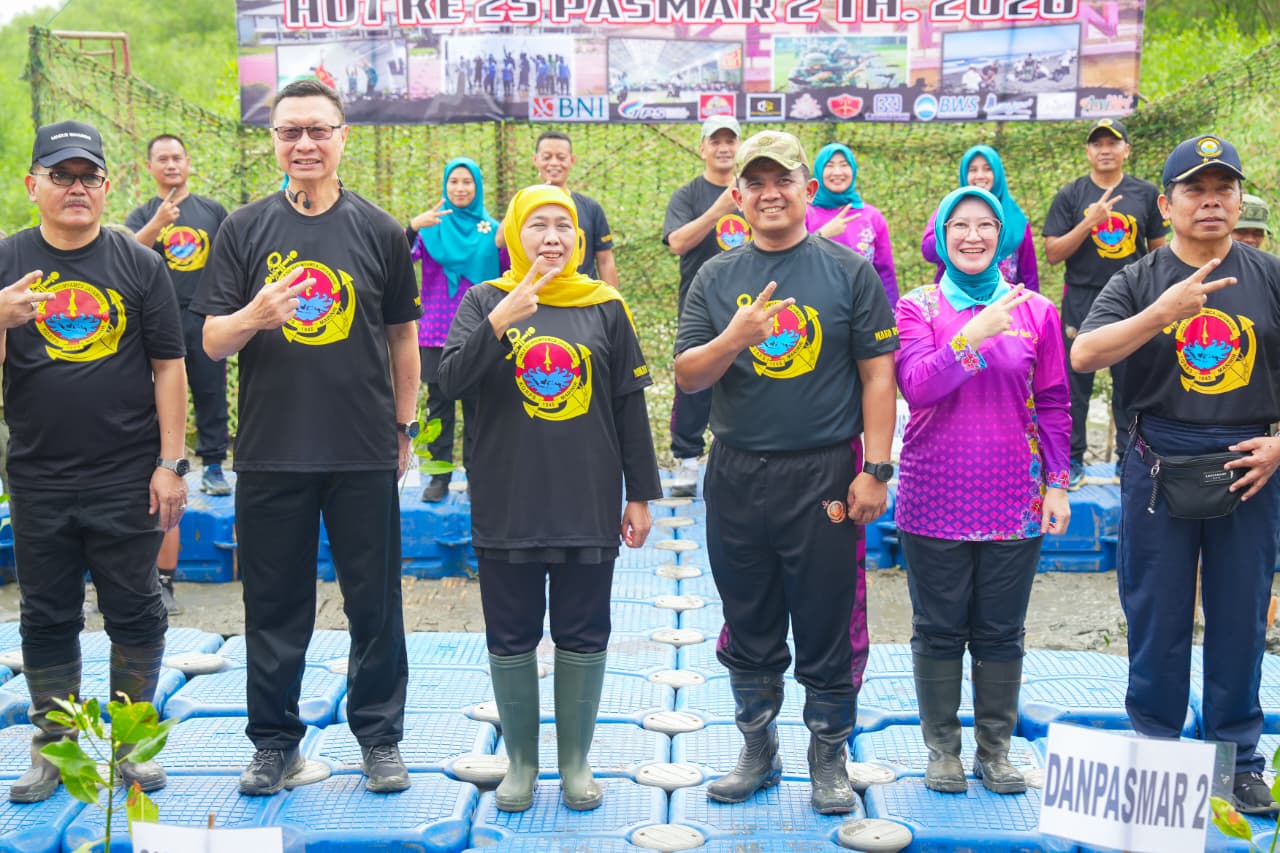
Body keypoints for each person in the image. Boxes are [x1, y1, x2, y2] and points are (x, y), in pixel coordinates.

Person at [193, 80, 420, 797]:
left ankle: (379, 737)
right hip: (271, 450)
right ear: (274, 142)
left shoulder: (380, 229)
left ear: (342, 136)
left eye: (318, 130)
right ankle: (273, 742)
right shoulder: (243, 229)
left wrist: (404, 426)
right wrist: (255, 315)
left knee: (374, 603)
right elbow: (212, 340)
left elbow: (403, 337)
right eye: (290, 131)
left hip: (361, 448)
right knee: (273, 603)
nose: (305, 144)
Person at [673, 131, 898, 814]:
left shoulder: (847, 271)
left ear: (807, 188)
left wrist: (876, 468)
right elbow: (688, 374)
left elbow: (877, 374)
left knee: (828, 617)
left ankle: (828, 755)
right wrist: (735, 337)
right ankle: (757, 748)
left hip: (825, 473)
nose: (770, 194)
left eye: (783, 180)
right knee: (747, 613)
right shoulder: (716, 277)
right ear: (737, 195)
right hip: (738, 472)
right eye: (756, 183)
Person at [1072, 135, 1280, 816]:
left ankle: (1234, 760)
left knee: (1240, 616)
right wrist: (1161, 313)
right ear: (1167, 205)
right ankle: (1158, 754)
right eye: (1195, 189)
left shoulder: (1270, 276)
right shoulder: (1137, 279)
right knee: (1157, 615)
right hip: (1157, 461)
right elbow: (1084, 354)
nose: (1211, 201)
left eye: (1224, 188)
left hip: (1251, 464)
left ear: (1240, 200)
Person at [437, 184, 661, 812]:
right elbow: (449, 382)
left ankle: (575, 763)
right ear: (514, 234)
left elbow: (628, 406)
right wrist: (500, 321)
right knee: (510, 633)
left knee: (583, 631)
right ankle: (522, 764)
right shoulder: (484, 300)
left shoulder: (605, 306)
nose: (552, 237)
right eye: (538, 224)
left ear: (580, 239)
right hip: (507, 498)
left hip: (586, 498)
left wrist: (641, 494)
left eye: (564, 225)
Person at [0, 120, 188, 802]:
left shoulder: (139, 264)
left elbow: (169, 366)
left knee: (136, 609)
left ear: (107, 187)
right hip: (37, 474)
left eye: (89, 176)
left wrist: (171, 462)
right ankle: (56, 746)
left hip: (126, 474)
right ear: (34, 185)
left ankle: (131, 743)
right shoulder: (6, 261)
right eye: (61, 175)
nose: (76, 188)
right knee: (46, 614)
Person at [896, 186, 1071, 795]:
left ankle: (995, 751)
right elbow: (917, 386)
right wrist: (973, 335)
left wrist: (1057, 484)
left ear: (1003, 236)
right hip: (933, 494)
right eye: (960, 226)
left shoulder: (1037, 311)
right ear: (941, 237)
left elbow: (1054, 402)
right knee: (938, 627)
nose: (973, 236)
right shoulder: (916, 307)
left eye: (985, 225)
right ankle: (942, 750)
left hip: (1014, 495)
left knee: (1001, 630)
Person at [126, 134, 232, 615]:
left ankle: (213, 464)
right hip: (155, 320)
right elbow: (128, 256)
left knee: (211, 390)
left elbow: (232, 260)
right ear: (150, 167)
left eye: (177, 158)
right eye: (162, 159)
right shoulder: (142, 213)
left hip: (203, 314)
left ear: (189, 163)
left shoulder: (211, 211)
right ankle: (160, 459)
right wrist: (157, 224)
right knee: (157, 397)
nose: (171, 165)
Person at [1044, 118, 1167, 489]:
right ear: (1088, 152)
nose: (1105, 150)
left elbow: (1159, 253)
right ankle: (1072, 461)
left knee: (1130, 383)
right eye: (1097, 143)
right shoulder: (1071, 195)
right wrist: (1090, 222)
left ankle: (1128, 461)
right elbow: (1053, 253)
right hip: (1082, 297)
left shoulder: (1145, 194)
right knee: (1074, 385)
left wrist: (1156, 300)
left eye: (1113, 143)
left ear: (1126, 150)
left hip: (1131, 298)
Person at [407, 157, 504, 502]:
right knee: (439, 408)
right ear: (445, 186)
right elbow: (396, 260)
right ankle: (438, 477)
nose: (460, 188)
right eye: (454, 182)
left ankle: (480, 476)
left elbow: (510, 273)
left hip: (481, 333)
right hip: (436, 334)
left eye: (467, 182)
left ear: (478, 187)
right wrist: (412, 227)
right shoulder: (430, 228)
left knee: (479, 409)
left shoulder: (493, 231)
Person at [662, 115, 749, 497]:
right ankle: (686, 458)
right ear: (703, 149)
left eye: (731, 141)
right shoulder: (687, 195)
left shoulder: (753, 191)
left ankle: (745, 454)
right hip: (700, 303)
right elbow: (678, 242)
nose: (724, 148)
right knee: (693, 380)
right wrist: (718, 210)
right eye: (716, 141)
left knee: (750, 378)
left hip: (748, 302)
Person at [498, 132, 617, 288]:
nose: (554, 163)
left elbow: (605, 260)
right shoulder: (525, 204)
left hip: (581, 294)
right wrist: (530, 197)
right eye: (547, 157)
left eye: (561, 157)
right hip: (535, 292)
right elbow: (500, 240)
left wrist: (612, 299)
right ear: (535, 160)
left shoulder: (590, 207)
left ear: (572, 160)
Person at [922, 145, 1038, 293]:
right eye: (973, 170)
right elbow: (928, 252)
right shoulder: (949, 211)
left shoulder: (1016, 219)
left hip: (1005, 301)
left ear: (998, 173)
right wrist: (951, 226)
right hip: (953, 300)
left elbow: (1029, 274)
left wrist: (1030, 305)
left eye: (988, 169)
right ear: (964, 174)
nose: (980, 176)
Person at [807, 142, 898, 307]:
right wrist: (821, 235)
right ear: (819, 171)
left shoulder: (872, 216)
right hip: (814, 305)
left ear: (853, 170)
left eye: (844, 165)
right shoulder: (804, 213)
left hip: (862, 307)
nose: (837, 172)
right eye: (829, 165)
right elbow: (791, 259)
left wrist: (891, 310)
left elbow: (885, 272)